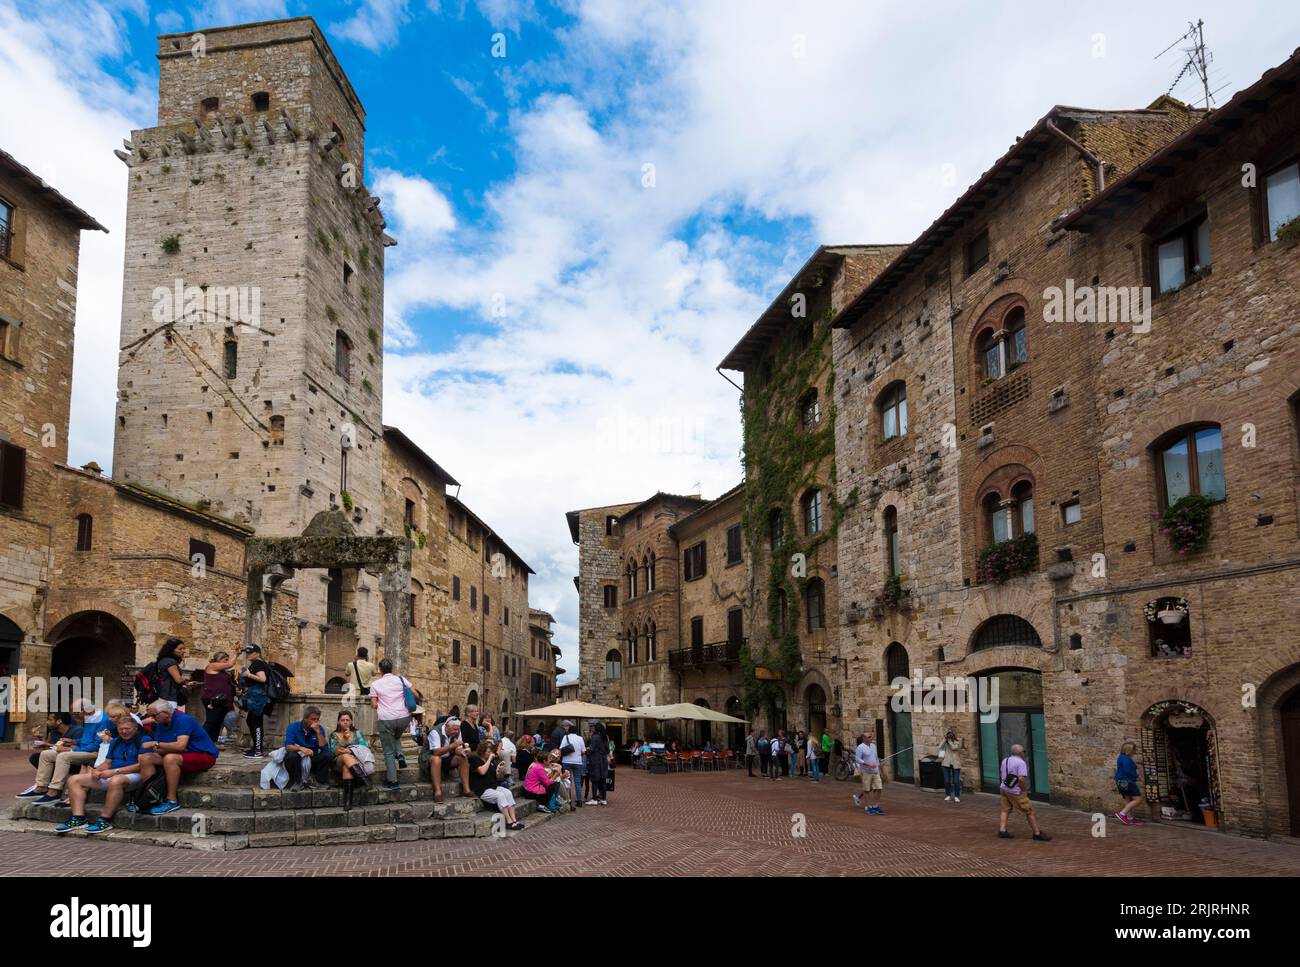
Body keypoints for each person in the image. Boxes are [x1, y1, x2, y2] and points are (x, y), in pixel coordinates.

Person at [55, 718, 147, 835]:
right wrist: (96, 771)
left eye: (127, 729)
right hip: (114, 773)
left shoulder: (143, 740)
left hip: (135, 776)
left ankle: (105, 820)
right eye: (121, 729)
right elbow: (107, 763)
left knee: (116, 780)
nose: (124, 731)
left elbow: (141, 765)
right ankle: (78, 818)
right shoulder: (116, 741)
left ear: (135, 728)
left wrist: (114, 772)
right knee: (74, 779)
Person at [137, 700, 220, 814]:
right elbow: (163, 749)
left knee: (170, 758)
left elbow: (180, 746)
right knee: (146, 757)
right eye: (149, 715)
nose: (151, 718)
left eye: (153, 715)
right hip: (183, 755)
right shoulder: (160, 723)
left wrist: (156, 744)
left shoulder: (184, 720)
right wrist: (162, 747)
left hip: (203, 755)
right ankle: (150, 795)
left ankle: (172, 801)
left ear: (166, 713)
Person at [19, 698, 106, 805]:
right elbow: (87, 739)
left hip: (96, 753)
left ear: (86, 710)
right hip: (85, 749)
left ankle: (55, 791)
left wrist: (72, 749)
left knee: (63, 756)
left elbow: (97, 745)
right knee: (46, 754)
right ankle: (41, 787)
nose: (74, 717)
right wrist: (74, 741)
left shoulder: (102, 720)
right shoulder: (88, 717)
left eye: (76, 713)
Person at [369, 658, 413, 792]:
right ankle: (400, 754)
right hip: (404, 717)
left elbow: (374, 704)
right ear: (391, 668)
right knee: (396, 736)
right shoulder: (401, 679)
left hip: (386, 719)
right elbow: (414, 692)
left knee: (388, 752)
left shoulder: (375, 684)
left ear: (380, 670)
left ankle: (393, 781)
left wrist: (381, 704)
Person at [468, 740, 524, 831]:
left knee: (508, 792)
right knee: (500, 795)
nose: (491, 754)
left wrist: (499, 770)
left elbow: (497, 777)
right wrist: (490, 759)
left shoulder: (492, 761)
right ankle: (509, 822)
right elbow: (482, 772)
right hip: (482, 789)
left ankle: (514, 820)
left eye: (491, 752)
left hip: (493, 786)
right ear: (482, 751)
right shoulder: (476, 760)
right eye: (488, 752)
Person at [998, 743, 1050, 841]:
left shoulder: (1006, 760)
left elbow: (1002, 773)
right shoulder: (1021, 763)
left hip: (1004, 788)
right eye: (1023, 751)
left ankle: (1002, 830)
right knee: (1029, 811)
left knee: (1005, 809)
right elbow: (1021, 779)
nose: (1024, 753)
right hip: (1015, 791)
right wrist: (1023, 790)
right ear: (1020, 753)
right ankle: (1037, 833)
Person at [282, 706, 334, 790]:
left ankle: (318, 781)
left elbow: (324, 748)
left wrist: (318, 732)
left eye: (317, 719)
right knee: (291, 755)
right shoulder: (293, 727)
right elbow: (288, 746)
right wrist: (302, 749)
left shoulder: (319, 729)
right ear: (305, 718)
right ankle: (298, 781)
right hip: (298, 758)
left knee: (328, 755)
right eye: (313, 719)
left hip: (312, 759)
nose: (316, 722)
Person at [427, 716, 473, 803]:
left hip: (447, 757)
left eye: (457, 730)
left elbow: (457, 749)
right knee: (437, 759)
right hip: (429, 759)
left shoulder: (457, 731)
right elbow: (436, 752)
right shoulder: (435, 732)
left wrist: (463, 751)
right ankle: (438, 792)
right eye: (454, 730)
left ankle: (466, 790)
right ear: (447, 726)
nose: (456, 732)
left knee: (463, 758)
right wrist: (452, 746)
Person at [239, 644, 271, 758]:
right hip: (255, 697)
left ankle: (258, 751)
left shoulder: (258, 663)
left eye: (250, 652)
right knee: (250, 721)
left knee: (256, 723)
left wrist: (248, 675)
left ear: (257, 653)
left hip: (258, 698)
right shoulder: (256, 664)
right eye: (247, 652)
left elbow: (263, 679)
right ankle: (255, 748)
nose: (248, 654)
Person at [200, 651, 238, 742]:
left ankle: (213, 742)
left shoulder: (223, 672)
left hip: (223, 701)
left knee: (218, 722)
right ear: (219, 659)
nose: (227, 662)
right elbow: (231, 664)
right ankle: (201, 741)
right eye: (225, 660)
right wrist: (236, 654)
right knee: (211, 721)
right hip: (212, 699)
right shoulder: (212, 666)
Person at [154, 637, 191, 709]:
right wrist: (187, 681)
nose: (183, 651)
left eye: (184, 649)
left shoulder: (163, 660)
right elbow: (178, 680)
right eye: (180, 649)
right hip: (169, 698)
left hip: (162, 696)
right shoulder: (170, 662)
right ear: (172, 650)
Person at [852, 731, 884, 814]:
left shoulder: (873, 746)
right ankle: (869, 806)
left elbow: (876, 758)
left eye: (871, 736)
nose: (871, 738)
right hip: (866, 772)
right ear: (864, 738)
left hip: (875, 771)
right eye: (869, 737)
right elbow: (857, 759)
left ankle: (875, 805)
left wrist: (880, 769)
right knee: (866, 790)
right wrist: (867, 764)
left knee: (879, 788)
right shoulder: (860, 747)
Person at [1114, 741, 1144, 826]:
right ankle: (1122, 814)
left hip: (1120, 780)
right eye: (1134, 750)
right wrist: (1136, 776)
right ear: (1129, 750)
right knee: (1138, 799)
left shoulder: (1121, 757)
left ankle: (1129, 818)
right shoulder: (1126, 759)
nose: (1135, 751)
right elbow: (1127, 771)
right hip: (1126, 781)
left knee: (1128, 799)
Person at [559, 720, 587, 806]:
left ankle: (569, 799)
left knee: (567, 781)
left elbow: (560, 749)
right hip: (578, 762)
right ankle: (579, 801)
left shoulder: (565, 737)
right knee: (578, 782)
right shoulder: (580, 738)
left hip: (567, 761)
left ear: (569, 730)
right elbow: (584, 751)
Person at [585, 721, 610, 805]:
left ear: (596, 728)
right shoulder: (605, 737)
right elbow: (607, 750)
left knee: (595, 780)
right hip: (604, 761)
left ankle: (595, 799)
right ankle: (603, 799)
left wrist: (588, 750)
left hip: (595, 761)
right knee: (603, 780)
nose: (592, 728)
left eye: (593, 727)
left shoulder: (595, 737)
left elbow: (592, 749)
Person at [937, 729, 963, 803]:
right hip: (946, 763)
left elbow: (954, 748)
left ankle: (957, 796)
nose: (949, 736)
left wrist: (950, 741)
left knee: (956, 781)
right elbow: (939, 747)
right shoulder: (945, 741)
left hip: (955, 763)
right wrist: (945, 739)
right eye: (948, 734)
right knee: (946, 780)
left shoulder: (957, 741)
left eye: (951, 734)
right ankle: (948, 794)